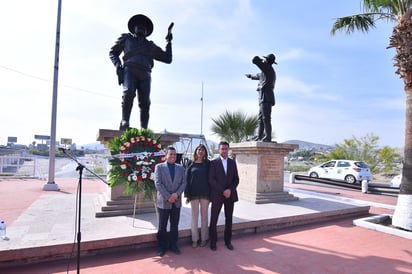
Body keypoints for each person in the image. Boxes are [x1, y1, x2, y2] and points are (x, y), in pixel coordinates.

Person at [109, 14, 173, 130]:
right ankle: (125, 121)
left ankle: (144, 128)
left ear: (147, 31)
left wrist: (168, 42)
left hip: (145, 73)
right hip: (130, 70)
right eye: (139, 25)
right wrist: (118, 66)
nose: (141, 27)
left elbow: (167, 59)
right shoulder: (126, 39)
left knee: (145, 102)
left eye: (144, 26)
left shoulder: (150, 46)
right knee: (128, 92)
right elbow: (113, 53)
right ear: (134, 28)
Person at [154, 146, 186, 257]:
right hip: (164, 201)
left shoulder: (181, 168)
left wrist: (176, 194)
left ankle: (173, 245)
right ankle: (162, 247)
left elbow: (183, 183)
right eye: (171, 154)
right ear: (166, 155)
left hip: (176, 201)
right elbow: (158, 184)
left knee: (174, 225)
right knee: (162, 226)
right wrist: (169, 196)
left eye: (174, 154)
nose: (173, 156)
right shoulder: (159, 167)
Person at [208, 141, 239, 251]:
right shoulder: (213, 163)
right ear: (218, 149)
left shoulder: (232, 162)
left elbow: (236, 179)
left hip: (230, 195)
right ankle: (213, 241)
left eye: (226, 149)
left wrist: (230, 190)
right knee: (213, 219)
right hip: (217, 195)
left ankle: (228, 241)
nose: (224, 151)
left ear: (228, 149)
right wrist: (223, 191)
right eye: (222, 149)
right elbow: (211, 180)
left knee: (229, 219)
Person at [245, 53, 277, 142]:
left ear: (268, 61)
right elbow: (258, 76)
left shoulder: (268, 69)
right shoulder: (265, 71)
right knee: (261, 119)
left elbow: (255, 60)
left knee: (266, 118)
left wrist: (261, 61)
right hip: (263, 98)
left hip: (267, 97)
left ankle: (268, 137)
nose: (265, 61)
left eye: (266, 59)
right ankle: (259, 136)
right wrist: (250, 76)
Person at [184, 144, 210, 248]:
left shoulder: (208, 164)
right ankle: (194, 239)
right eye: (199, 149)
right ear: (196, 151)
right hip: (193, 193)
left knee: (204, 217)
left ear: (205, 152)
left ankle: (204, 238)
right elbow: (186, 178)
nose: (200, 151)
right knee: (194, 217)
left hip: (205, 193)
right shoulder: (190, 163)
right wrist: (187, 193)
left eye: (202, 150)